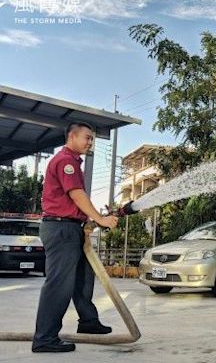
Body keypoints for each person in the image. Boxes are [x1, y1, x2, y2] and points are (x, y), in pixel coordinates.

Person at [32, 122, 119, 353]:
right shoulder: (65, 161)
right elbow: (76, 195)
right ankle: (45, 338)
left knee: (83, 277)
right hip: (61, 230)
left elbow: (75, 202)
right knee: (59, 284)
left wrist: (89, 219)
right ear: (72, 136)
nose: (90, 142)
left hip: (71, 228)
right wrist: (100, 219)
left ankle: (88, 323)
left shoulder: (73, 162)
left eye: (92, 139)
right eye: (87, 138)